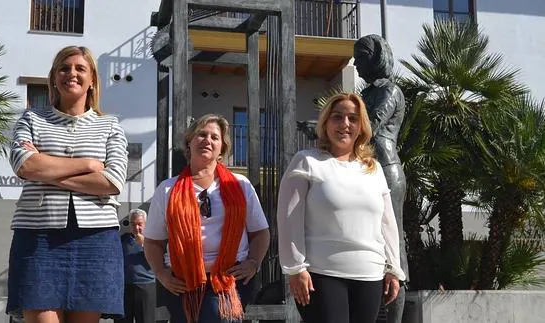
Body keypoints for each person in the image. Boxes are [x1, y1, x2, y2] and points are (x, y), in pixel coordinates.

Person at [6, 46, 128, 323]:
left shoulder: (110, 126)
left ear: (93, 80)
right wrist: (88, 164)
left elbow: (111, 181)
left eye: (79, 68)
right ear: (53, 77)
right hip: (37, 238)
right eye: (64, 68)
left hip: (95, 241)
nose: (71, 73)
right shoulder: (31, 119)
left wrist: (45, 169)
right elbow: (24, 165)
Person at [276, 92, 405, 323]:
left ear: (361, 127)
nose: (345, 124)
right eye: (337, 117)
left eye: (353, 118)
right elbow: (288, 219)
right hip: (321, 275)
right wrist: (295, 268)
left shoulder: (373, 168)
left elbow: (387, 223)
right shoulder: (307, 161)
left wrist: (394, 269)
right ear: (325, 123)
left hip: (370, 276)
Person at [144, 114, 270, 323]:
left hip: (229, 281)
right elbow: (153, 242)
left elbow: (260, 233)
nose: (207, 140)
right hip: (182, 284)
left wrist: (253, 262)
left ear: (222, 147)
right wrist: (161, 273)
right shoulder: (167, 189)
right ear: (189, 142)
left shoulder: (240, 185)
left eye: (214, 137)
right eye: (201, 135)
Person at [354, 34, 409, 323]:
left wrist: (321, 128)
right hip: (367, 169)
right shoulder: (366, 94)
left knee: (392, 245)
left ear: (377, 58)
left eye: (361, 56)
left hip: (386, 170)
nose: (356, 62)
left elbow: (369, 126)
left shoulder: (389, 91)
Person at [116, 209, 157, 323]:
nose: (136, 228)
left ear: (146, 224)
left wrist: (144, 245)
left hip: (145, 286)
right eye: (133, 224)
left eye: (140, 224)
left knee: (146, 319)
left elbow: (157, 261)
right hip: (125, 287)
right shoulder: (124, 239)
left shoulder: (153, 241)